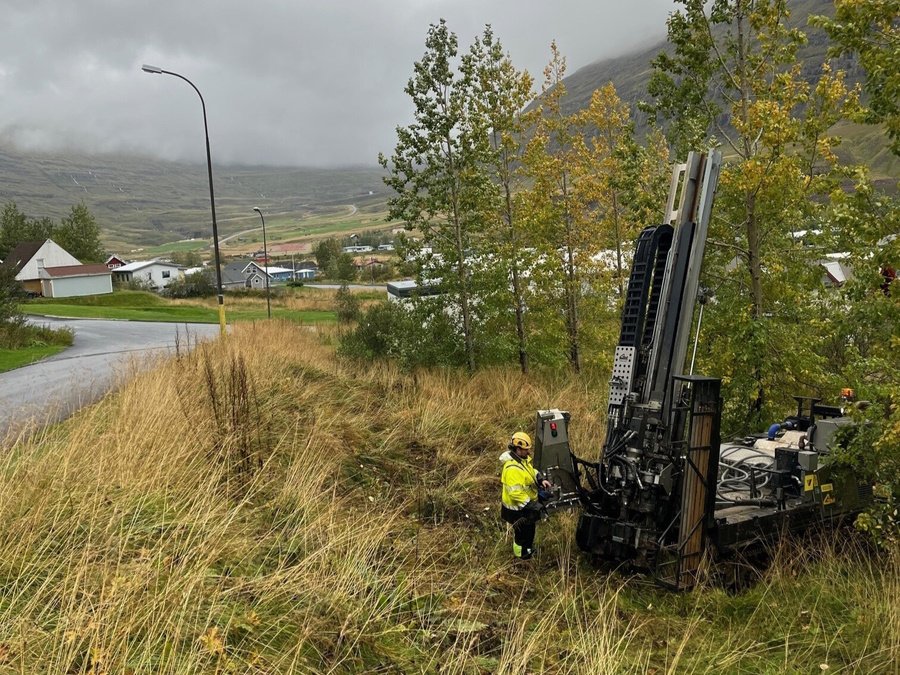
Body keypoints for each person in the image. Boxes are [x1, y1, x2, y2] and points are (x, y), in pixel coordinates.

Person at [499, 431, 552, 560]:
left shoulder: (521, 460)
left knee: (529, 531)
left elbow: (529, 472)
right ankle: (521, 557)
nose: (529, 452)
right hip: (518, 510)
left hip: (525, 508)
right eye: (526, 450)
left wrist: (540, 479)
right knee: (521, 535)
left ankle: (528, 550)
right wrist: (532, 504)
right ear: (518, 449)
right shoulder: (512, 469)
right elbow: (515, 493)